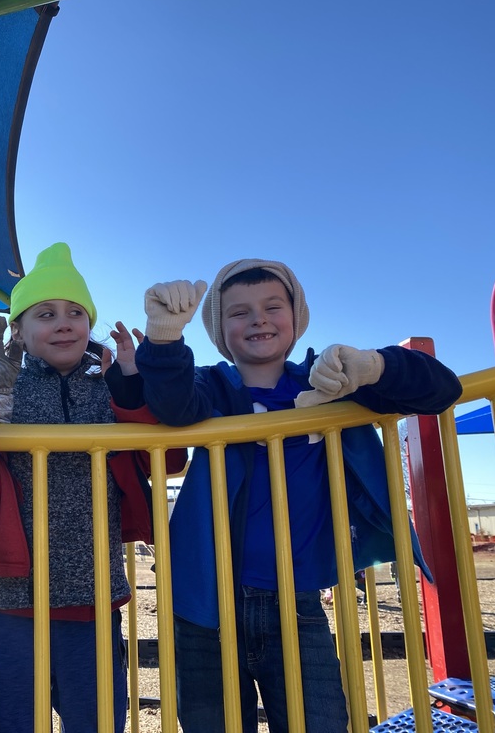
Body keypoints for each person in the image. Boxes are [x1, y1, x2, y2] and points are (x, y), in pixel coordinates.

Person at [133, 259, 462, 733]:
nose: (259, 319)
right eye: (239, 312)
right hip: (205, 602)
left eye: (272, 306)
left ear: (296, 317)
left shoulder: (329, 383)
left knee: (321, 720)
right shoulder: (212, 388)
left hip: (297, 601)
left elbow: (440, 390)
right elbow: (174, 406)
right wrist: (163, 338)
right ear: (221, 331)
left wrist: (374, 366)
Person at [0, 242, 187, 733]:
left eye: (75, 313)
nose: (63, 323)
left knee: (97, 716)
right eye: (45, 314)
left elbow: (169, 458)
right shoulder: (7, 385)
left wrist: (129, 385)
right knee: (12, 717)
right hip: (15, 591)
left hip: (92, 587)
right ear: (18, 331)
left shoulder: (109, 384)